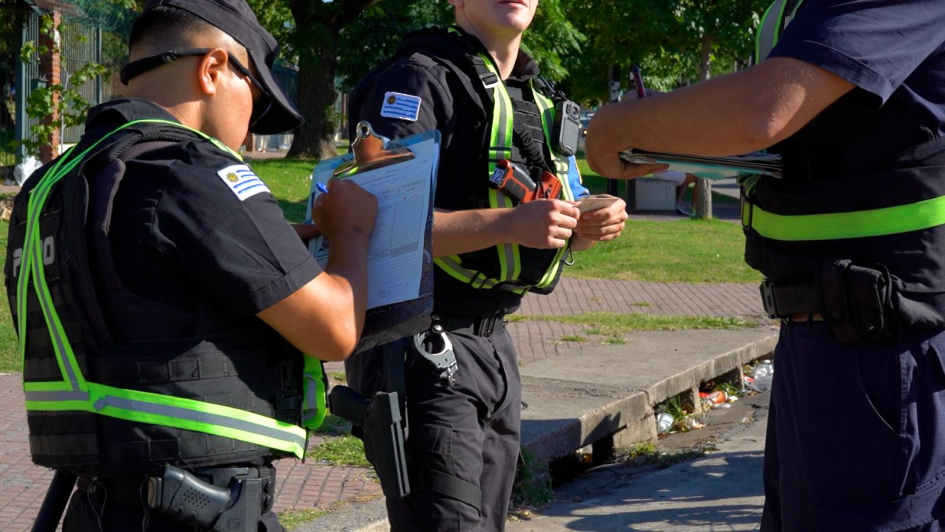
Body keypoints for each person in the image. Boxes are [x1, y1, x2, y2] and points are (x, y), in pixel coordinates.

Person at [3, 1, 377, 530]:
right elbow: (335, 329)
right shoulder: (191, 169)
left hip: (96, 506)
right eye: (255, 94)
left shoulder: (52, 185)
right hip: (195, 509)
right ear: (213, 68)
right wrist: (352, 231)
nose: (249, 130)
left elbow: (130, 301)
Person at [586, 0, 945, 530]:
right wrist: (687, 136)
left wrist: (615, 125)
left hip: (880, 347)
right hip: (834, 340)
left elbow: (765, 110)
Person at [343, 1, 646, 530]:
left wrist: (584, 223)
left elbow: (547, 217)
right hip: (423, 345)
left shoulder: (537, 95)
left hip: (495, 345)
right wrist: (507, 225)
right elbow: (372, 226)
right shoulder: (416, 80)